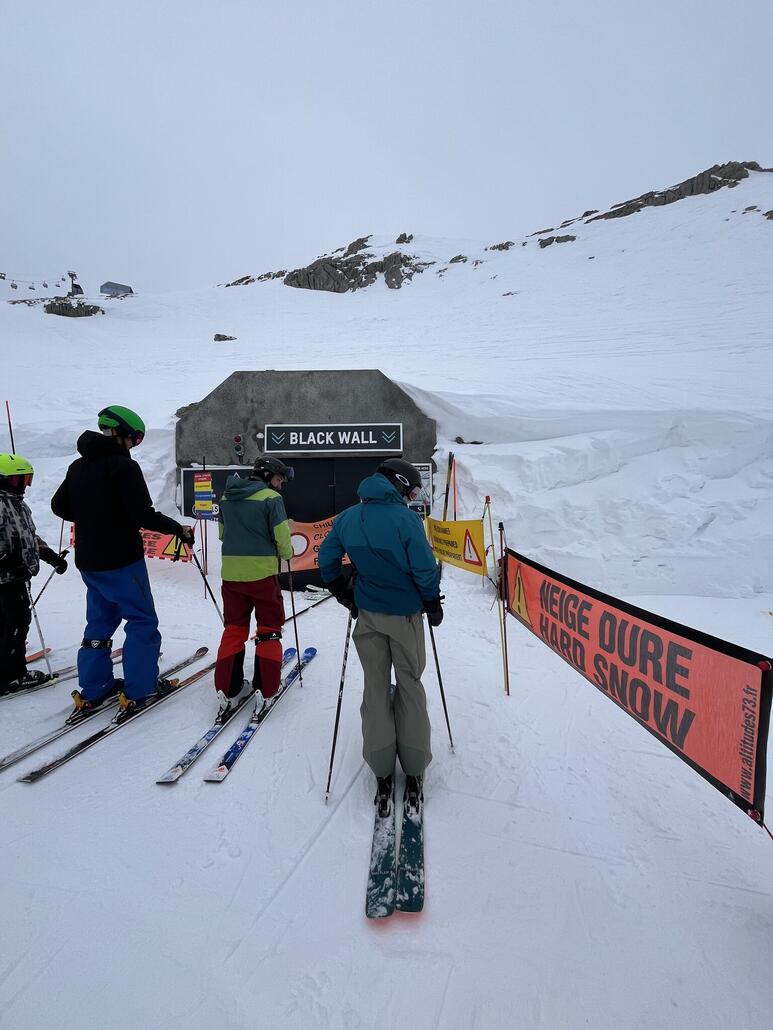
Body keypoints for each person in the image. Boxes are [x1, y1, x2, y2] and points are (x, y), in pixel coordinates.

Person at [51, 406, 195, 721]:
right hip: (121, 560)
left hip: (89, 561)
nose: (134, 446)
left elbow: (59, 505)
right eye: (134, 440)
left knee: (99, 623)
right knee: (142, 621)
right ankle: (140, 689)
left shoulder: (78, 467)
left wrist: (93, 517)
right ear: (122, 434)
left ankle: (95, 686)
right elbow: (143, 514)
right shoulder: (123, 468)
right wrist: (178, 529)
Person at [318, 457, 443, 812]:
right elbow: (422, 567)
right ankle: (414, 764)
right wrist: (432, 602)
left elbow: (327, 559)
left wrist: (343, 593)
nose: (412, 495)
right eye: (412, 489)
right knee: (409, 683)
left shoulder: (347, 517)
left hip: (368, 615)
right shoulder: (406, 519)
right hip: (404, 616)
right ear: (400, 483)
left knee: (375, 685)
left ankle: (381, 764)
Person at [214, 455, 294, 718]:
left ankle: (228, 688)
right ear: (268, 475)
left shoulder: (227, 497)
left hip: (231, 575)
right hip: (262, 575)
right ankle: (267, 688)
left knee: (234, 629)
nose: (280, 485)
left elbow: (222, 534)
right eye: (279, 479)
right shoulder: (271, 499)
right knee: (269, 628)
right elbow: (282, 538)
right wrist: (288, 553)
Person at [0, 454, 68, 695]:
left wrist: (49, 555)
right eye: (21, 479)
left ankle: (5, 665)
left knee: (8, 622)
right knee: (17, 621)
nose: (26, 485)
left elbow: (27, 536)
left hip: (15, 576)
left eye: (28, 479)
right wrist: (6, 563)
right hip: (6, 578)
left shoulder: (17, 503)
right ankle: (11, 675)